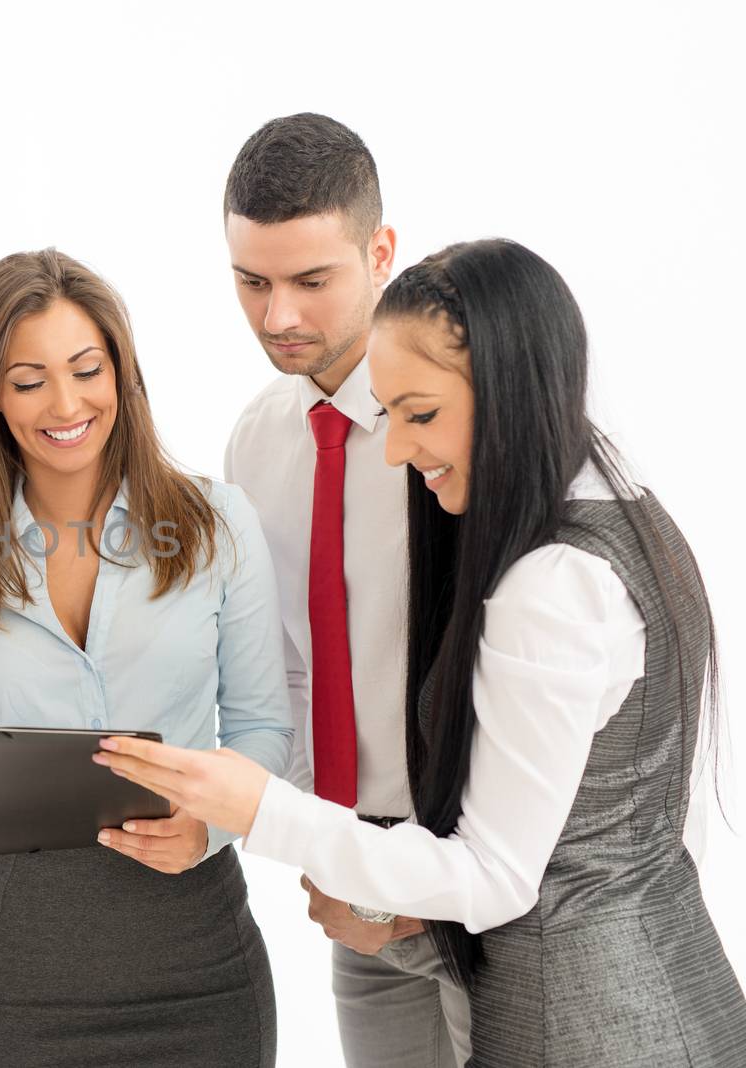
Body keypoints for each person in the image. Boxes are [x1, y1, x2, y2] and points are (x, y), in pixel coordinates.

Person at [99, 239, 746, 1067]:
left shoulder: (549, 585)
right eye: (390, 412)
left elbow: (494, 876)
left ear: (510, 393)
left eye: (421, 413)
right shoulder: (637, 521)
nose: (396, 449)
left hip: (573, 1035)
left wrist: (260, 807)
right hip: (690, 999)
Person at [0, 248, 291, 1067]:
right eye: (29, 380)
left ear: (122, 373)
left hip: (199, 957)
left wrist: (206, 826)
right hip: (25, 967)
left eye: (87, 369)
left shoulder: (219, 523)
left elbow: (263, 730)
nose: (65, 404)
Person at [219, 112, 471, 1064]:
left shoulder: (455, 421)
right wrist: (331, 846)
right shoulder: (256, 439)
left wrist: (417, 879)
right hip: (351, 877)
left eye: (311, 281)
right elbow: (283, 664)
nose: (279, 316)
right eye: (252, 282)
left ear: (381, 252)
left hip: (466, 873)